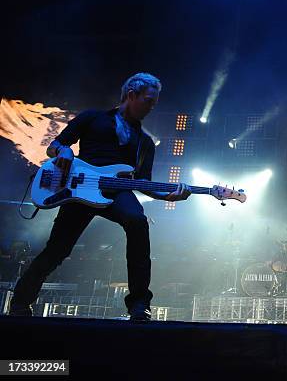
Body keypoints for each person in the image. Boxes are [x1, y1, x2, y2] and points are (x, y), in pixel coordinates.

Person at [9, 73, 191, 321]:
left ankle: (139, 304)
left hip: (117, 191)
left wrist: (168, 196)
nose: (151, 107)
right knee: (57, 250)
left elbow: (144, 183)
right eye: (148, 100)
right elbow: (55, 145)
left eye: (154, 102)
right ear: (131, 95)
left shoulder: (145, 142)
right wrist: (64, 152)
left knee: (137, 221)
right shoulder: (92, 118)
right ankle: (20, 301)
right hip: (79, 190)